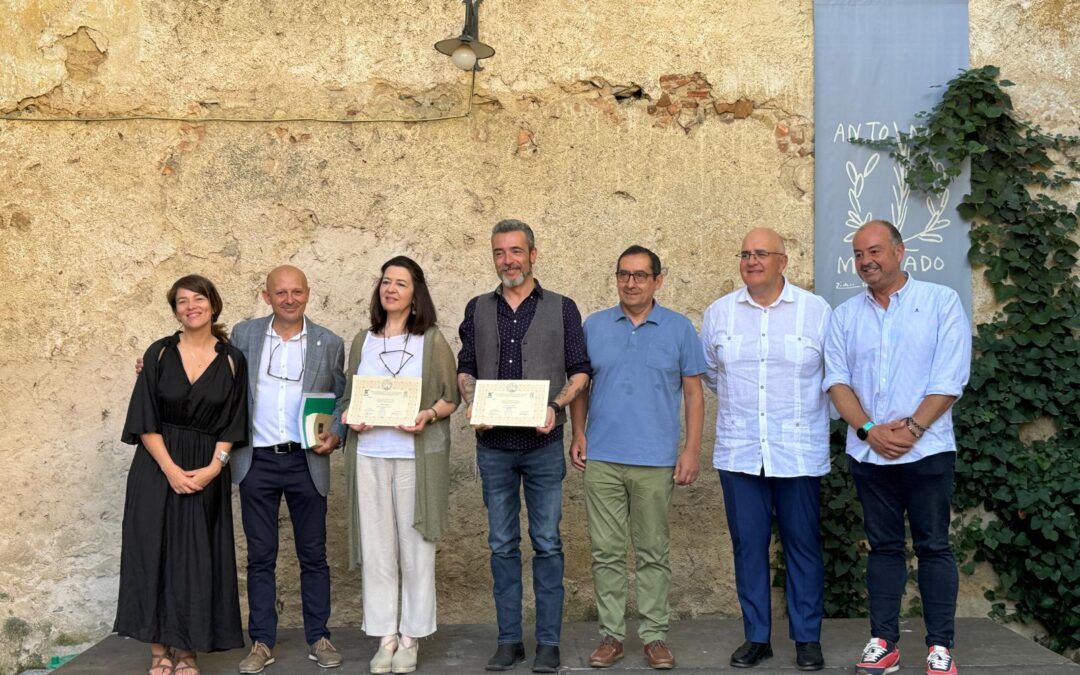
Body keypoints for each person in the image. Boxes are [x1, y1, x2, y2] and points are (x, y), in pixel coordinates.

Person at [823, 220, 971, 675]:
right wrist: (870, 429)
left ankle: (939, 648)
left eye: (874, 251)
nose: (866, 261)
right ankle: (882, 642)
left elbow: (950, 378)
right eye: (858, 254)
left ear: (899, 251)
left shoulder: (941, 303)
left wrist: (911, 428)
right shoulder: (845, 315)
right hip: (871, 453)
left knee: (933, 546)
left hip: (927, 452)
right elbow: (836, 380)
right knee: (884, 548)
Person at [457, 219, 592, 673]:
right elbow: (466, 368)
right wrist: (472, 400)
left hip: (543, 445)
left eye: (516, 251)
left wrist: (555, 407)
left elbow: (580, 372)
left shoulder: (563, 308)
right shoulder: (477, 308)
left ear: (533, 254)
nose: (508, 260)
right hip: (493, 445)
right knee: (500, 545)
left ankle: (549, 643)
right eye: (499, 252)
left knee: (548, 543)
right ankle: (509, 639)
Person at [700, 228, 832, 671]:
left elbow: (835, 377)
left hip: (797, 450)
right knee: (748, 546)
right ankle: (757, 637)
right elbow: (713, 375)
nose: (751, 260)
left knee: (802, 546)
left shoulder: (815, 312)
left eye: (761, 253)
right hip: (740, 452)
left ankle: (807, 638)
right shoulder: (719, 313)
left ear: (783, 261)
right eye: (745, 254)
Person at [569, 245, 705, 670]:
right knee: (606, 552)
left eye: (641, 275)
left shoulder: (680, 329)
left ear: (657, 281)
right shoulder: (594, 326)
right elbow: (580, 386)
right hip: (603, 458)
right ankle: (611, 635)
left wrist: (691, 450)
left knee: (652, 552)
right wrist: (577, 433)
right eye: (624, 275)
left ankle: (654, 635)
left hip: (655, 460)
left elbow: (694, 393)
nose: (631, 283)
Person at [116, 274, 249, 675]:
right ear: (175, 310)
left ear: (213, 303)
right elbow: (144, 419)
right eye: (182, 301)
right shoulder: (158, 353)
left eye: (198, 298)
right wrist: (171, 469)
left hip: (207, 467)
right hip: (157, 465)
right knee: (151, 551)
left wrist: (213, 469)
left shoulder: (232, 358)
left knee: (196, 558)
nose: (191, 306)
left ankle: (188, 652)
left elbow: (235, 421)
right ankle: (159, 651)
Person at [339, 256, 461, 674]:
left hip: (414, 458)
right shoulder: (362, 340)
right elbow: (350, 397)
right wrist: (350, 416)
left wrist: (427, 414)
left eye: (401, 283)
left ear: (415, 293)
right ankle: (384, 636)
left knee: (415, 548)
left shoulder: (432, 340)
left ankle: (411, 637)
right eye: (386, 282)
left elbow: (451, 398)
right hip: (369, 455)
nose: (391, 289)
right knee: (377, 551)